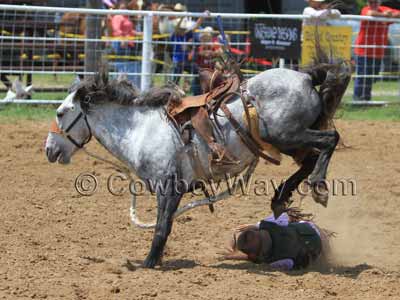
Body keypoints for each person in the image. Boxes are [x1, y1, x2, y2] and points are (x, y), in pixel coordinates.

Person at [219, 213, 328, 270]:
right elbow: (286, 215)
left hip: (318, 250)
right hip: (313, 229)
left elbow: (254, 258)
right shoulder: (268, 224)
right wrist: (255, 225)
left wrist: (232, 256)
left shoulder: (275, 260)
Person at [353, 0, 400, 101]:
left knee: (372, 77)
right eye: (371, 2)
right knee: (362, 76)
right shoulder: (365, 9)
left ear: (379, 3)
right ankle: (357, 99)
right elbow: (370, 14)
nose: (373, 4)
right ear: (367, 3)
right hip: (363, 50)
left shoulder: (384, 9)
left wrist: (391, 15)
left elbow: (398, 13)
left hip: (378, 52)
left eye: (375, 2)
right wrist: (385, 15)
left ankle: (366, 99)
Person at [169, 6, 210, 90]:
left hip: (186, 62)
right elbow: (177, 29)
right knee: (174, 82)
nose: (183, 29)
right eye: (182, 28)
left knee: (199, 73)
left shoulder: (186, 34)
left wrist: (203, 16)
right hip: (178, 62)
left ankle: (198, 90)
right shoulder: (174, 35)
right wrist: (182, 18)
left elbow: (196, 26)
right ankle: (171, 93)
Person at [109, 0, 142, 87]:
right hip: (120, 43)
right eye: (122, 8)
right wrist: (122, 39)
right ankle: (118, 83)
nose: (124, 9)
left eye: (125, 7)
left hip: (128, 43)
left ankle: (126, 82)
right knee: (121, 63)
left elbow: (130, 31)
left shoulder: (126, 17)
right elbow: (116, 29)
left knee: (127, 64)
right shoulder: (117, 17)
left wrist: (140, 34)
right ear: (118, 8)